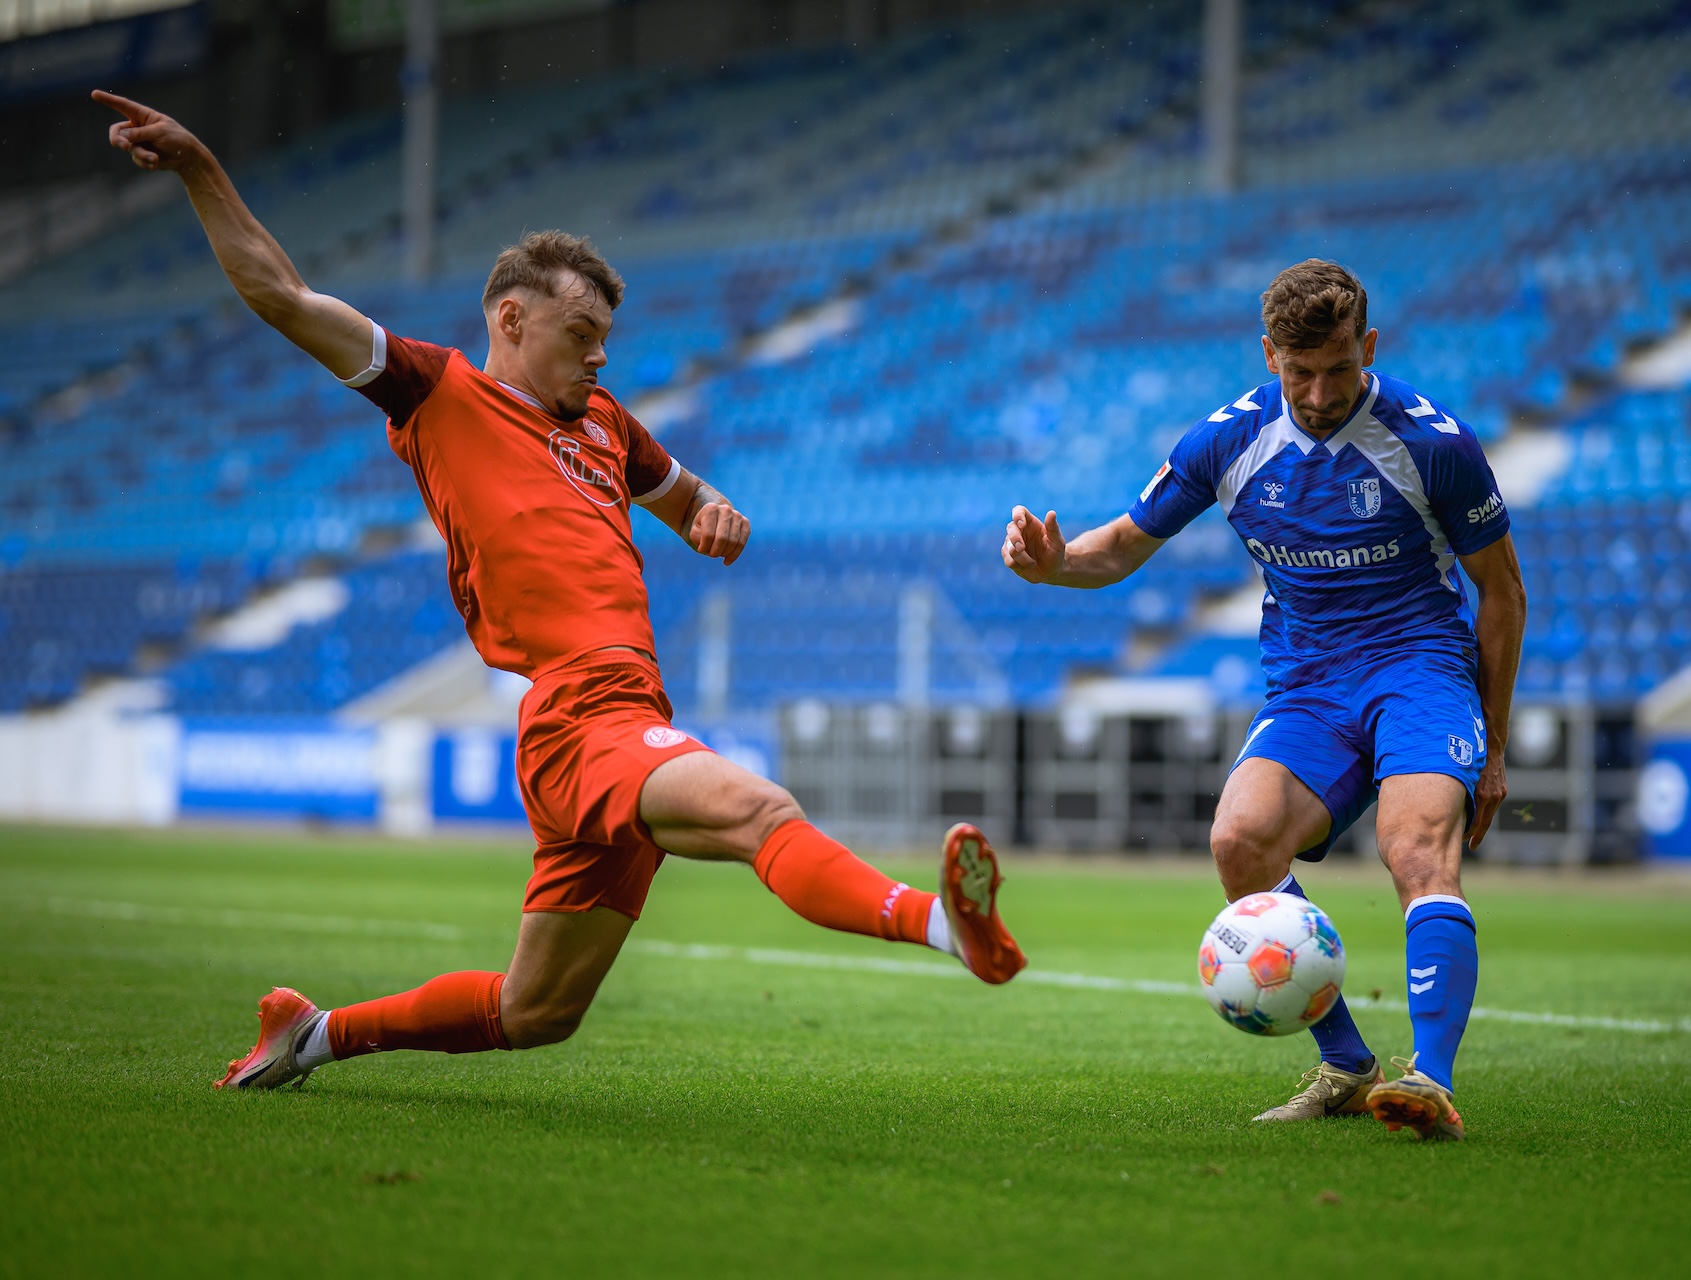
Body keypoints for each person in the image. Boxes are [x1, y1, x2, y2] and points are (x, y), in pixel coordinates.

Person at [92, 90, 1026, 1092]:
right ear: (511, 318)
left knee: (532, 1011)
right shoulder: (437, 391)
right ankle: (942, 925)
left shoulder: (607, 425)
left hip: (621, 712)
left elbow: (684, 495)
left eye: (606, 335)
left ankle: (309, 1032)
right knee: (758, 807)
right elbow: (282, 294)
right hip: (581, 712)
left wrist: (714, 508)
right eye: (581, 331)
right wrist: (199, 166)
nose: (601, 351)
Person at [1002, 259, 1524, 1141]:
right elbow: (1124, 545)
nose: (1319, 392)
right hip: (1311, 685)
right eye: (1299, 372)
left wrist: (1496, 744)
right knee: (1239, 841)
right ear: (1269, 355)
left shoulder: (1433, 444)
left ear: (1368, 347)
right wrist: (1056, 565)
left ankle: (1428, 1081)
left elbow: (1502, 593)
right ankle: (1351, 1066)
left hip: (1420, 671)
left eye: (1338, 369)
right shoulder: (1228, 439)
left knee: (1416, 853)